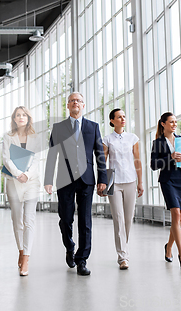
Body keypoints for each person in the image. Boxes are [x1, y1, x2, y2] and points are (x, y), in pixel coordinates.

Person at [44, 92, 107, 276]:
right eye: (72, 101)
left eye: (78, 100)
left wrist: (102, 179)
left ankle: (82, 259)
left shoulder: (93, 127)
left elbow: (100, 155)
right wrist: (48, 180)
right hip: (65, 179)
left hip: (87, 180)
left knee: (85, 221)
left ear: (83, 105)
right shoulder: (58, 128)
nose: (75, 103)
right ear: (68, 105)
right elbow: (51, 156)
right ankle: (70, 246)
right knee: (65, 218)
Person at [150, 112, 181, 269]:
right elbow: (153, 165)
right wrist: (170, 157)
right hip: (168, 180)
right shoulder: (157, 143)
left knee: (178, 218)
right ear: (163, 124)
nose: (174, 124)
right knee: (175, 214)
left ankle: (168, 247)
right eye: (171, 122)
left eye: (176, 122)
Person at [102, 108, 144, 270]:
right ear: (112, 121)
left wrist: (140, 182)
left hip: (131, 181)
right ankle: (123, 257)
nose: (123, 119)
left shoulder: (132, 138)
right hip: (114, 182)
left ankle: (123, 248)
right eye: (119, 117)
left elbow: (137, 161)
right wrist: (103, 183)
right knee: (118, 218)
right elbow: (103, 162)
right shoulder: (107, 140)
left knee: (128, 219)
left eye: (124, 116)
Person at [3, 106, 42, 276]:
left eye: (23, 115)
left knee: (29, 220)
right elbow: (6, 158)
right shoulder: (8, 137)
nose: (21, 117)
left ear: (28, 118)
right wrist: (18, 174)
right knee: (17, 219)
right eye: (17, 115)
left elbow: (37, 158)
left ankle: (26, 257)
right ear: (14, 119)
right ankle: (21, 249)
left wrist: (26, 175)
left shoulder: (35, 137)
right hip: (13, 182)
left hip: (31, 182)